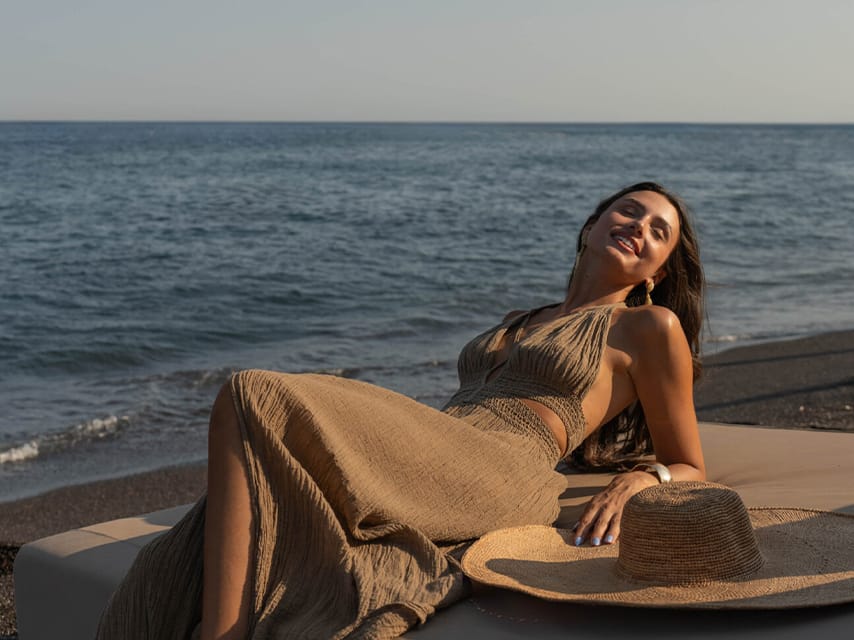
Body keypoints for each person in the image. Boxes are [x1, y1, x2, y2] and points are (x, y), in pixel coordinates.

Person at [96, 181, 706, 640]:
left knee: (252, 393)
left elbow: (689, 463)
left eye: (659, 232)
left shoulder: (647, 326)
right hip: (440, 448)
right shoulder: (521, 320)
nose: (640, 228)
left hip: (504, 467)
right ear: (594, 220)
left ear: (658, 269)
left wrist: (642, 479)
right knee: (212, 516)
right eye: (631, 211)